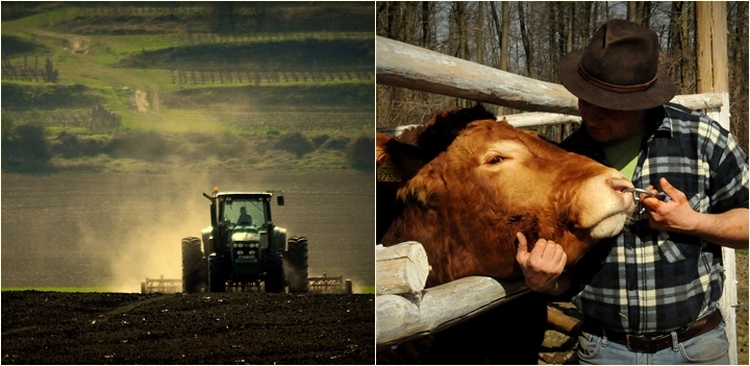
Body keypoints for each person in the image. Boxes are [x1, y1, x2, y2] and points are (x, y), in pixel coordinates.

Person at [515, 19, 749, 364]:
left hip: (695, 348)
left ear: (643, 101)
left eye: (608, 106)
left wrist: (693, 222)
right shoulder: (567, 160)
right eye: (585, 100)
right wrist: (541, 281)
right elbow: (565, 278)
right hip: (603, 350)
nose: (591, 116)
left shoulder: (702, 140)